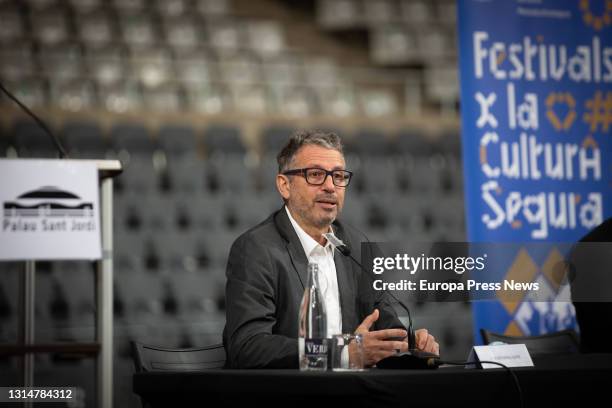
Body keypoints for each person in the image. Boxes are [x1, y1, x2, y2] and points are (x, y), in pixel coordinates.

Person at [223, 130, 439, 368]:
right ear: (285, 186)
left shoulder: (356, 245)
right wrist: (342, 355)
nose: (330, 186)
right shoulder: (256, 250)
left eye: (338, 176)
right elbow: (248, 346)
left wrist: (408, 343)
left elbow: (384, 323)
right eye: (315, 175)